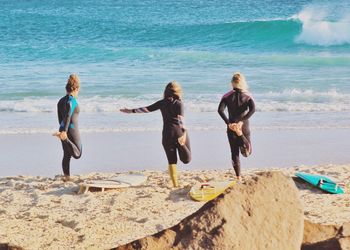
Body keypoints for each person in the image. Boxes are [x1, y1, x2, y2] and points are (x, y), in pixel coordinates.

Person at [120, 81, 191, 187]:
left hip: (166, 134)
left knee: (172, 160)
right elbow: (181, 120)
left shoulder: (161, 103)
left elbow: (146, 109)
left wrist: (131, 111)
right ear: (179, 91)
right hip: (178, 132)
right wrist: (184, 134)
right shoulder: (179, 103)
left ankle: (175, 185)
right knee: (186, 160)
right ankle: (181, 145)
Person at [218, 72, 255, 181]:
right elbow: (253, 110)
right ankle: (240, 134)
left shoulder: (226, 96)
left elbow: (220, 110)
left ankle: (238, 177)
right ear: (243, 82)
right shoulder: (248, 96)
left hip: (231, 127)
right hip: (243, 127)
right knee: (247, 152)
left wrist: (228, 123)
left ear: (232, 83)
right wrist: (242, 121)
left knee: (234, 153)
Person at [53, 74, 82, 181]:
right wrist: (65, 132)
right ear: (76, 89)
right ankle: (64, 137)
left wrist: (62, 130)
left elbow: (60, 118)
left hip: (62, 129)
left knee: (66, 155)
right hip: (70, 130)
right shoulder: (72, 101)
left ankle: (67, 177)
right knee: (77, 154)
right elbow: (69, 114)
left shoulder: (60, 101)